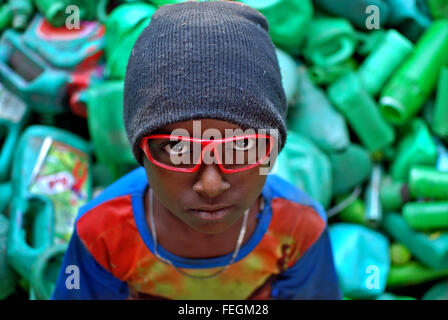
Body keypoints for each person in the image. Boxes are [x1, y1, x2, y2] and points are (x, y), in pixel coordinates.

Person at [52, 0, 342, 300]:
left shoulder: (300, 230)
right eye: (178, 149)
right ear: (140, 151)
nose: (211, 185)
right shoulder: (101, 233)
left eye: (241, 146)